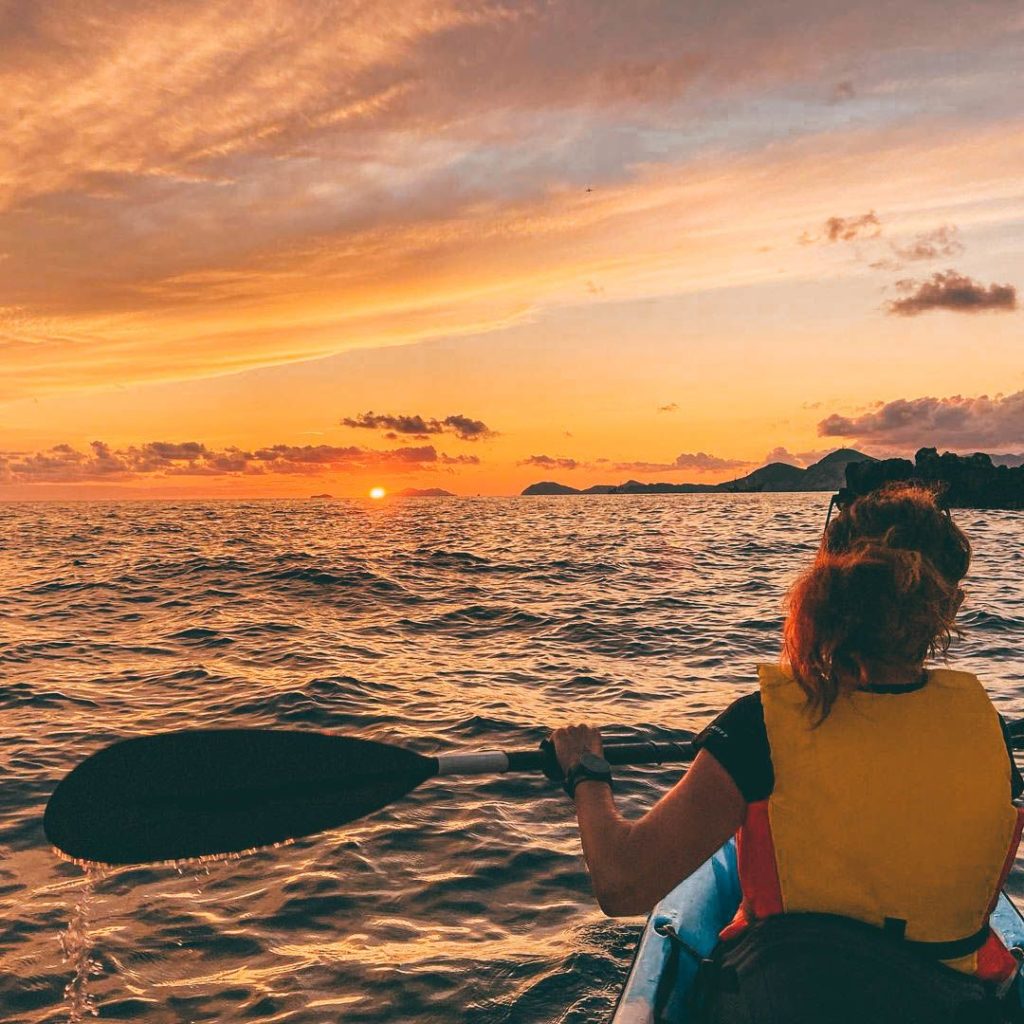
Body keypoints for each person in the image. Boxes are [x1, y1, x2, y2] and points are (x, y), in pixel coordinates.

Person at [549, 484, 1024, 1023]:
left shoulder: (761, 726)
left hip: (788, 1000)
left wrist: (586, 772)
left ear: (830, 585)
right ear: (945, 606)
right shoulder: (990, 731)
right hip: (950, 1005)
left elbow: (622, 883)